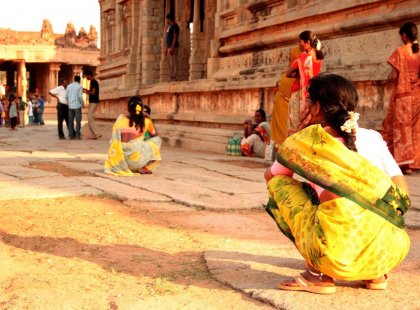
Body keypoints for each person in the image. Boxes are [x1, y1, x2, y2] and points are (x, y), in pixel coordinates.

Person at [264, 73, 411, 294]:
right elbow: (401, 192)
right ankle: (374, 274)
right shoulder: (373, 137)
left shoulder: (305, 141)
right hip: (390, 251)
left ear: (316, 107)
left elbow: (271, 176)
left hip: (336, 255)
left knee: (279, 185)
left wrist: (293, 141)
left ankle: (318, 273)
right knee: (356, 203)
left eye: (308, 100)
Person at [381, 22, 420, 175]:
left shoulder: (400, 51)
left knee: (401, 128)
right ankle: (415, 162)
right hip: (417, 95)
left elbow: (395, 75)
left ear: (404, 35)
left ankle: (405, 165)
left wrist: (390, 79)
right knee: (415, 130)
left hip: (403, 97)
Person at [104, 96, 161, 175]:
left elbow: (114, 139)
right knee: (157, 140)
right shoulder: (146, 121)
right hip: (136, 162)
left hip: (119, 161)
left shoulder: (121, 118)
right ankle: (144, 167)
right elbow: (155, 135)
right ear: (141, 109)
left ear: (128, 108)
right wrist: (149, 119)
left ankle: (136, 166)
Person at [286, 30, 325, 135]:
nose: (299, 45)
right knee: (309, 123)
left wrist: (297, 75)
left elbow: (288, 73)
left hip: (299, 94)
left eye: (300, 42)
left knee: (295, 123)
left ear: (307, 42)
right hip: (313, 96)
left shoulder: (302, 57)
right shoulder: (319, 58)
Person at [270, 46, 301, 145]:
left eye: (291, 56)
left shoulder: (295, 76)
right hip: (282, 109)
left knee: (286, 135)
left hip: (289, 111)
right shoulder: (292, 74)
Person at [83, 70, 101, 139]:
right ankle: (93, 134)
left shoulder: (94, 82)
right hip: (92, 101)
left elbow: (93, 93)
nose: (86, 78)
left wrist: (86, 91)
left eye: (86, 76)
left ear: (89, 75)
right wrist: (86, 90)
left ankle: (97, 133)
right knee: (89, 117)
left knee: (90, 116)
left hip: (94, 101)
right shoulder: (92, 82)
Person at [66, 75, 84, 140]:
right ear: (79, 80)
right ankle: (77, 135)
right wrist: (82, 103)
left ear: (74, 79)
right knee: (78, 121)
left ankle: (71, 135)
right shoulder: (79, 86)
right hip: (77, 106)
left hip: (70, 106)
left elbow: (66, 96)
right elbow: (80, 96)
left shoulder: (68, 86)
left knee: (70, 121)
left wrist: (69, 102)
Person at [165, 13, 180, 81]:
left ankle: (174, 77)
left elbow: (175, 36)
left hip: (173, 47)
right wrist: (166, 48)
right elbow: (168, 38)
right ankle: (171, 76)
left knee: (173, 62)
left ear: (169, 19)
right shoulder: (170, 27)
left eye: (167, 19)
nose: (166, 21)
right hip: (169, 47)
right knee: (169, 62)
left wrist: (172, 47)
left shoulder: (175, 26)